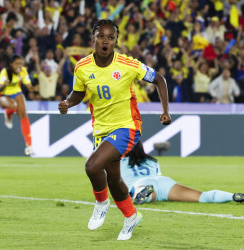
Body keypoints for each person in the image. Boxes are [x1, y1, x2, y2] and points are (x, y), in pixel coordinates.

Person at [58, 19, 171, 241]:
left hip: (127, 127)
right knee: (113, 178)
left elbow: (159, 79)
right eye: (101, 36)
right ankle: (131, 216)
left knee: (92, 166)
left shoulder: (128, 65)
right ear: (93, 38)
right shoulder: (82, 67)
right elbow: (78, 93)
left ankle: (101, 203)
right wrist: (67, 103)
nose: (105, 41)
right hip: (101, 129)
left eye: (111, 37)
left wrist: (165, 110)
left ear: (116, 40)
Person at [121, 141, 244, 205]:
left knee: (139, 195)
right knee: (202, 196)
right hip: (164, 182)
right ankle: (233, 196)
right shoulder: (152, 161)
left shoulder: (117, 162)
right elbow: (157, 176)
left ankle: (145, 193)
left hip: (140, 183)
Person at [0, 54, 34, 155]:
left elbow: (28, 85)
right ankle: (8, 115)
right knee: (13, 106)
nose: (19, 66)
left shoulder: (23, 70)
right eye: (16, 64)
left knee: (23, 115)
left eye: (20, 63)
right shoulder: (5, 72)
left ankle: (29, 146)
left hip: (16, 92)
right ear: (11, 64)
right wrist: (4, 84)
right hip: (3, 95)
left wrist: (33, 88)